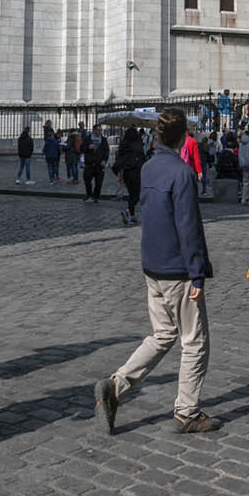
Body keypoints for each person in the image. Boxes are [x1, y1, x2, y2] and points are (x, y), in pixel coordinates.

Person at [93, 107, 221, 435]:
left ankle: (116, 385)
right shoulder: (181, 174)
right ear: (183, 137)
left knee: (163, 334)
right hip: (178, 269)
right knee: (194, 341)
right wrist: (197, 274)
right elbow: (189, 228)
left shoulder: (149, 168)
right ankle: (187, 411)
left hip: (152, 267)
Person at [113, 127, 145, 225]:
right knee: (137, 194)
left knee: (132, 194)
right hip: (135, 171)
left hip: (126, 172)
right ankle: (127, 211)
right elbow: (142, 157)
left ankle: (132, 216)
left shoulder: (124, 144)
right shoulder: (137, 143)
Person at [82, 125, 109, 203]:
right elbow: (81, 148)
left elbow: (106, 151)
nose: (100, 132)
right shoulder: (87, 138)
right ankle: (89, 195)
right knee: (87, 180)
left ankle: (96, 196)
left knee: (99, 183)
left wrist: (104, 160)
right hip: (89, 164)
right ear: (93, 130)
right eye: (98, 130)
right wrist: (88, 147)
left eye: (101, 130)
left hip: (99, 165)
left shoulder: (103, 140)